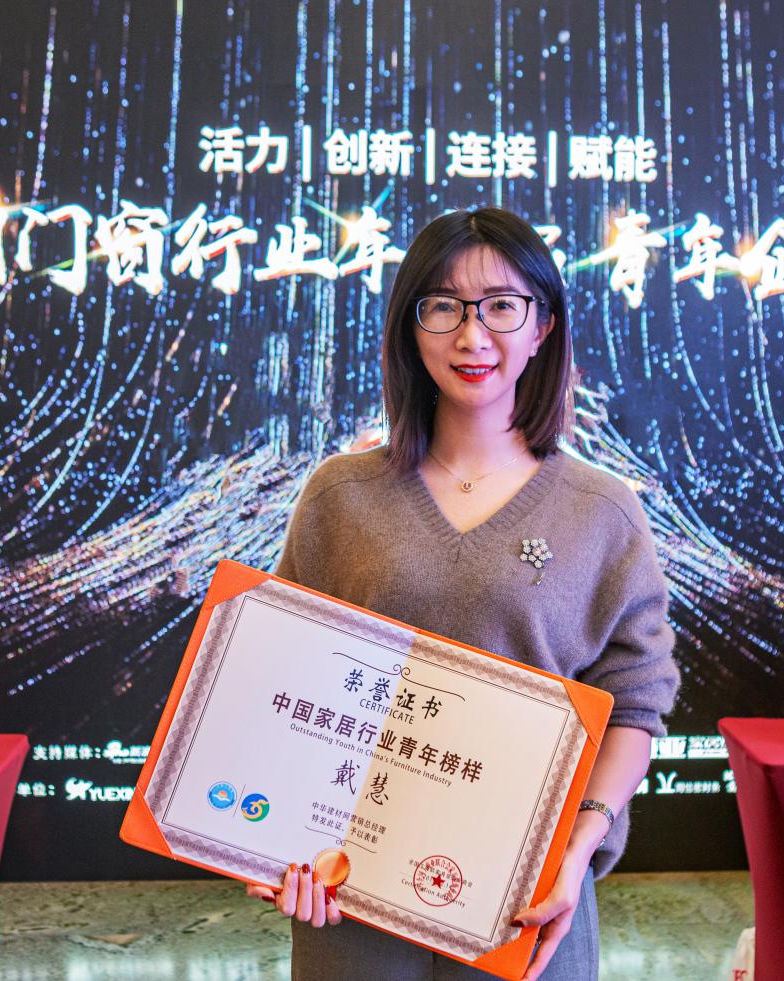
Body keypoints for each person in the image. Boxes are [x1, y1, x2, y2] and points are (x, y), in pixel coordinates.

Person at [247, 207, 680, 980]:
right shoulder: (339, 496)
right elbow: (283, 678)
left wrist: (578, 845)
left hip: (527, 897)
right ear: (410, 328)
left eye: (501, 306)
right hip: (351, 892)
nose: (472, 335)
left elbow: (634, 701)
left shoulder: (601, 509)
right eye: (443, 306)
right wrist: (268, 838)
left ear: (542, 326)